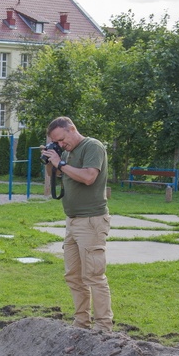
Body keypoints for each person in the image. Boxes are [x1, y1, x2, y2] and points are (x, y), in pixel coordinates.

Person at [41, 116, 113, 331]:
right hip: (72, 222)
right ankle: (81, 322)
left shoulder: (92, 146)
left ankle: (103, 326)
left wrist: (60, 163)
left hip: (91, 220)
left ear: (72, 129)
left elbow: (89, 177)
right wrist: (49, 160)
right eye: (58, 143)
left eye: (62, 140)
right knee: (73, 275)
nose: (62, 145)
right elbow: (55, 174)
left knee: (93, 275)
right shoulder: (67, 153)